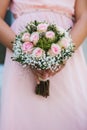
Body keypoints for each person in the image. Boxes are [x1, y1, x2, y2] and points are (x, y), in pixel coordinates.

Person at [0, 0, 87, 130]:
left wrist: (64, 53)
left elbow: (84, 17)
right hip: (21, 50)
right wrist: (24, 53)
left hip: (67, 51)